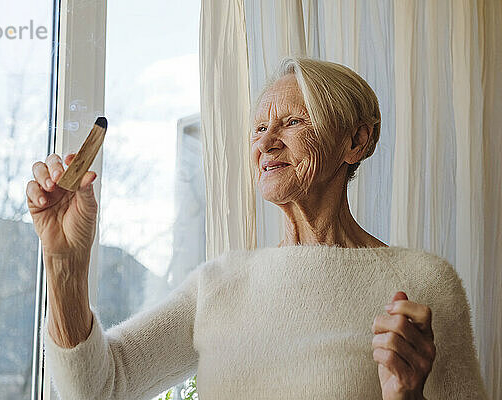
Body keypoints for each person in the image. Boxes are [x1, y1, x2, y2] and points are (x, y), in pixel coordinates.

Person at [26, 57, 488, 399]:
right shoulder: (218, 285)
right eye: (259, 127)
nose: (266, 142)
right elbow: (96, 389)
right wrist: (65, 262)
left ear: (356, 141)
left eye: (292, 121)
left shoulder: (423, 283)